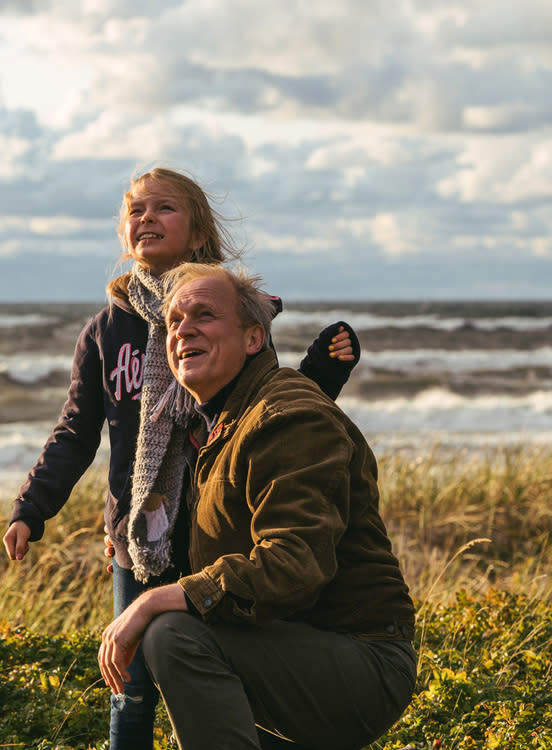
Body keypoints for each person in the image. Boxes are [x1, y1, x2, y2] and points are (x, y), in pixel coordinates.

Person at [3, 167, 360, 750]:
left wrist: (318, 379)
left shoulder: (228, 314)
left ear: (198, 232)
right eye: (136, 210)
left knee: (211, 665)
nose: (146, 218)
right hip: (137, 534)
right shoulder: (104, 331)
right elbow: (76, 430)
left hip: (214, 526)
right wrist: (31, 507)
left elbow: (265, 411)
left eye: (163, 208)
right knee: (131, 681)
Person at [97, 263, 416, 750]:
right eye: (174, 321)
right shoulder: (219, 428)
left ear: (253, 339)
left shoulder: (286, 415)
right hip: (287, 643)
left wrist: (157, 599)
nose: (184, 330)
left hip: (361, 660)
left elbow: (295, 563)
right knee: (176, 625)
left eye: (204, 315)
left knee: (172, 634)